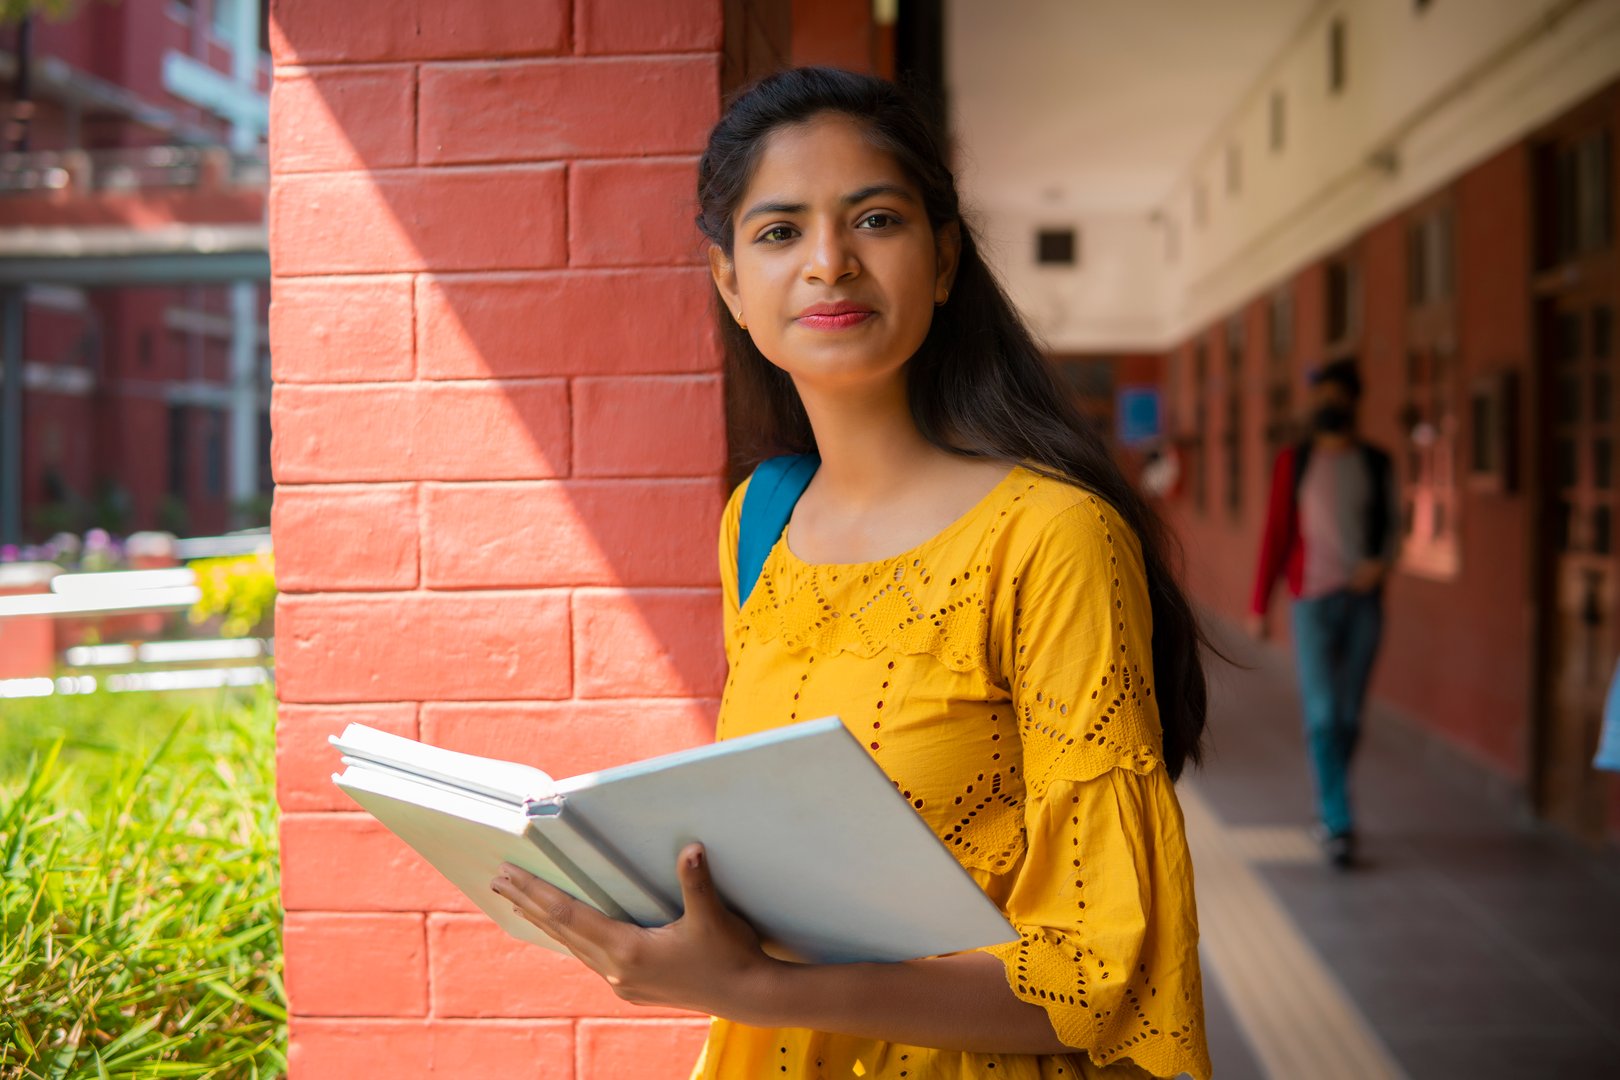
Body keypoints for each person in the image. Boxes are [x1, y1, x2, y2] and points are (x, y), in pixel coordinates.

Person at [489, 67, 1214, 1080]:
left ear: (946, 257)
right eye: (780, 232)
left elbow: (1100, 979)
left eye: (875, 220)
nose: (830, 264)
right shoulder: (762, 522)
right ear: (731, 281)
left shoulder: (1051, 539)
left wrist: (749, 986)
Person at [1247, 361, 1398, 869]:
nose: (1326, 407)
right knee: (1324, 714)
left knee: (1350, 717)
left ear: (1353, 401)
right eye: (1320, 398)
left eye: (1335, 397)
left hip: (1363, 604)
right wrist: (1259, 605)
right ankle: (1337, 821)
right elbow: (1275, 533)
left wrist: (1381, 564)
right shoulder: (1296, 460)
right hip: (1309, 601)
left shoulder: (1377, 462)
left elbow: (1395, 525)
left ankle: (1331, 801)